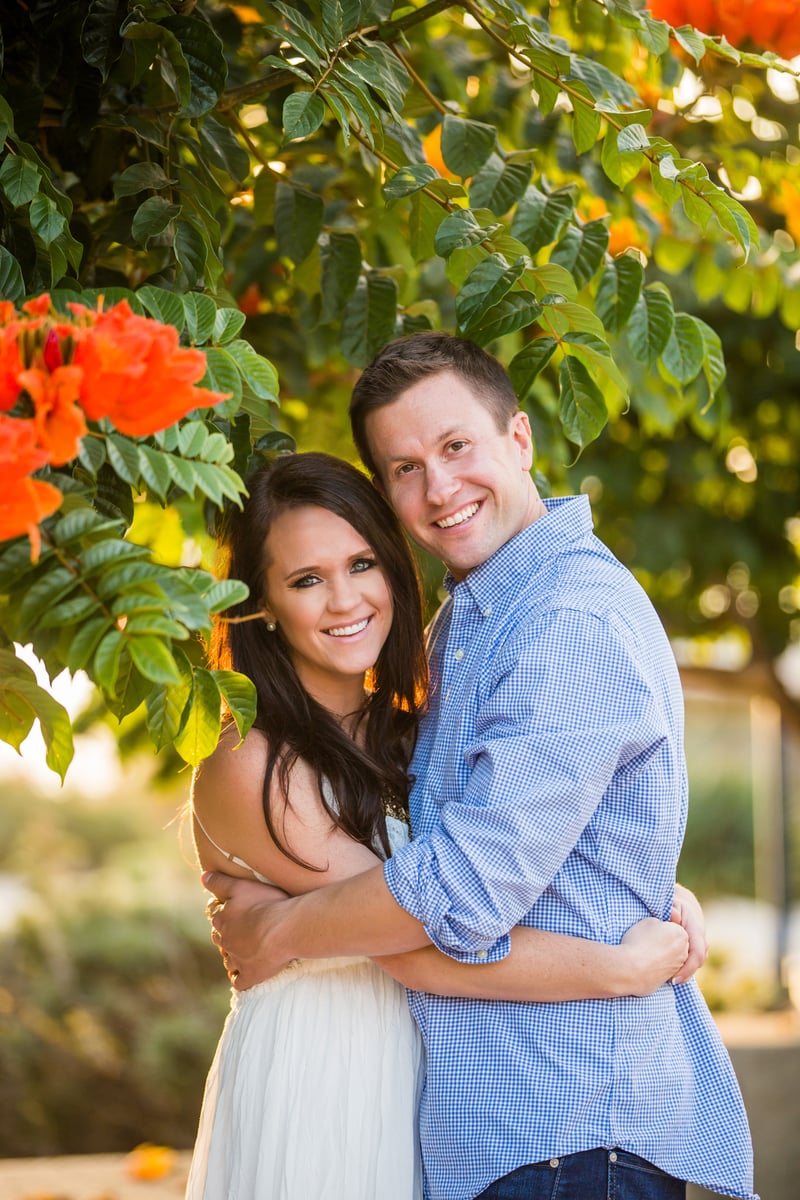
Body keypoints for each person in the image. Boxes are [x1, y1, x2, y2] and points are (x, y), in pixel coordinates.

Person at [205, 337, 756, 1200]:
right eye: (405, 468)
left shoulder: (564, 621)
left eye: (457, 446)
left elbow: (460, 890)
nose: (439, 489)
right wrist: (643, 901)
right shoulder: (470, 629)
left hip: (565, 1125)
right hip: (474, 1123)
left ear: (520, 438)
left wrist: (281, 930)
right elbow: (526, 844)